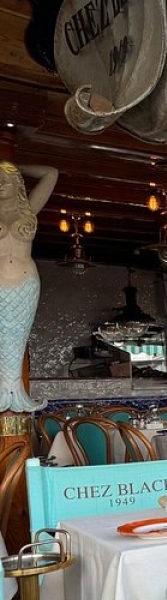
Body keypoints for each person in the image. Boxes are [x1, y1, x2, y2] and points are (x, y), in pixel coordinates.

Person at [0, 161, 57, 412]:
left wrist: (13, 165)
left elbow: (50, 173)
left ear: (17, 183)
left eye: (5, 179)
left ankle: (15, 392)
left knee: (17, 341)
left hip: (26, 283)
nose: (1, 184)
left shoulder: (28, 210)